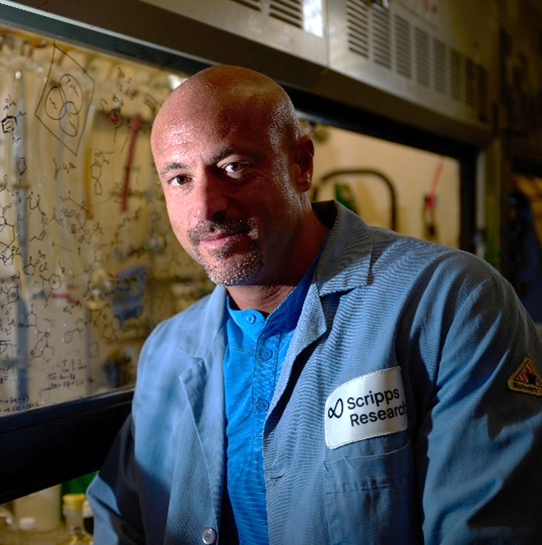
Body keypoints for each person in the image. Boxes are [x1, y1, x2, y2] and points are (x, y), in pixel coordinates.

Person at [86, 65, 542, 544]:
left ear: (300, 165)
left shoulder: (450, 302)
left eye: (234, 166)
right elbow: (120, 519)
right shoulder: (166, 352)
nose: (205, 206)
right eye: (179, 179)